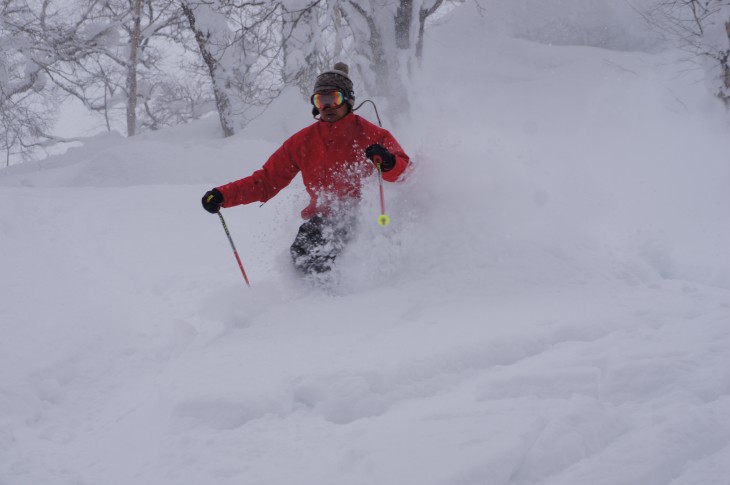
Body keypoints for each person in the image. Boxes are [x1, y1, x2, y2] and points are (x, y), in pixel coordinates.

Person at [201, 62, 411, 275]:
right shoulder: (303, 142)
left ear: (348, 100)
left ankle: (361, 297)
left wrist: (388, 163)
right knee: (305, 250)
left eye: (334, 99)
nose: (327, 106)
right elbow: (266, 181)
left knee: (336, 248)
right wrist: (223, 196)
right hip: (323, 219)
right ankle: (314, 302)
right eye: (321, 100)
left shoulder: (371, 135)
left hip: (365, 218)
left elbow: (405, 173)